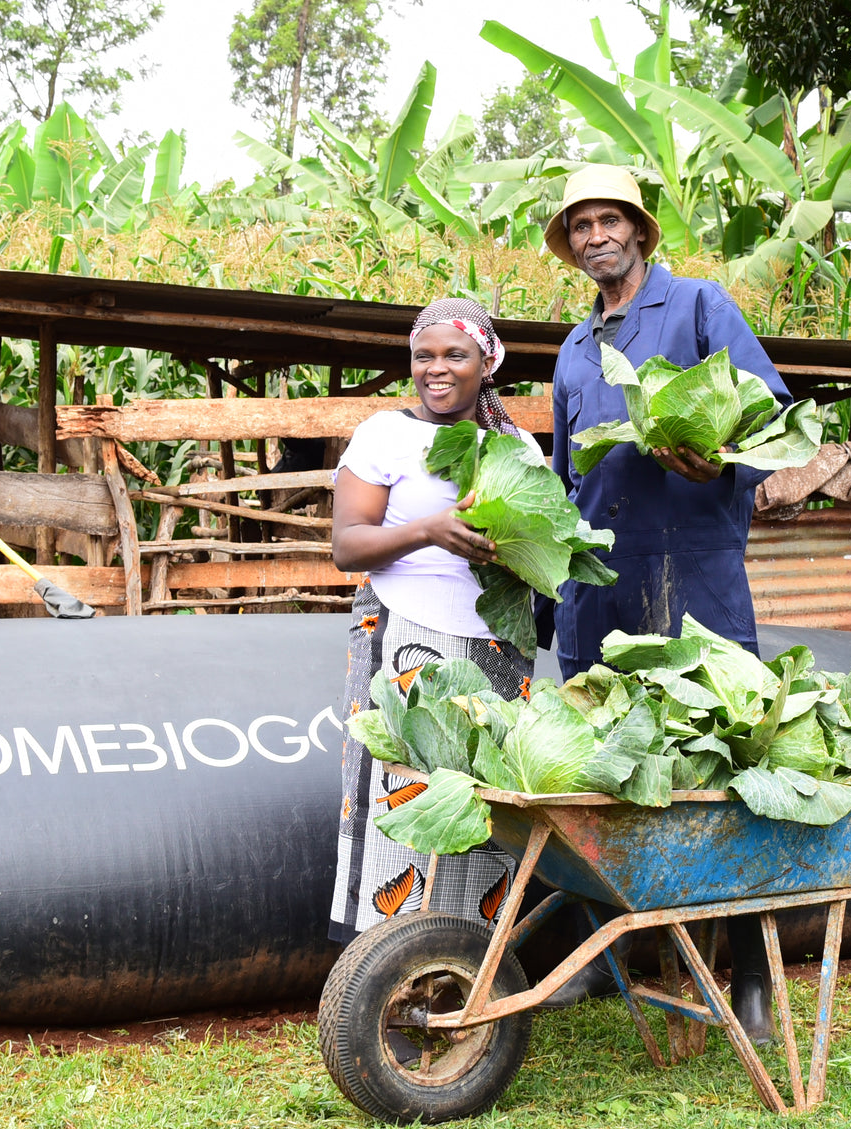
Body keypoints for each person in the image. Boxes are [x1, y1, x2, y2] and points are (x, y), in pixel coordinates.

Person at [545, 164, 791, 1040]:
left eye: (610, 220)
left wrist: (720, 459)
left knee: (730, 765)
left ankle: (753, 978)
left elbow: (771, 413)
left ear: (641, 233)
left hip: (695, 575)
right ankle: (609, 962)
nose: (596, 236)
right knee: (607, 769)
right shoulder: (575, 350)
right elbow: (565, 477)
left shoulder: (696, 309)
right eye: (581, 226)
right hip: (602, 586)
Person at [327, 298, 539, 945]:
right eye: (424, 355)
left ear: (488, 362)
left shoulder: (518, 446)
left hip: (496, 649)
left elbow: (541, 550)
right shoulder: (385, 435)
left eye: (455, 354)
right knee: (402, 799)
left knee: (483, 808)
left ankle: (465, 971)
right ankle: (381, 970)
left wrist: (517, 540)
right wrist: (428, 530)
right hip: (404, 637)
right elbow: (346, 546)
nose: (436, 368)